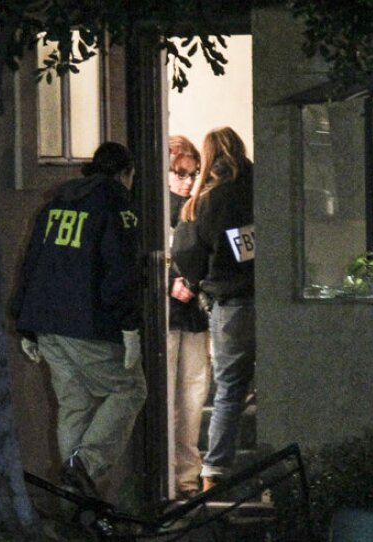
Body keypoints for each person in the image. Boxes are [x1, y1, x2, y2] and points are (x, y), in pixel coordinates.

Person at [11, 142, 146, 499]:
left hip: (45, 322)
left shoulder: (58, 202)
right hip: (86, 322)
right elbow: (121, 270)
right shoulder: (116, 202)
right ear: (125, 172)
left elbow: (33, 260)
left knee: (75, 406)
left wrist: (25, 323)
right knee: (130, 389)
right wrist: (130, 326)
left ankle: (75, 506)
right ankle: (83, 467)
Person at [170, 127, 255, 491]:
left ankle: (214, 472)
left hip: (229, 302)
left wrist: (192, 280)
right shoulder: (261, 187)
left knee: (229, 387)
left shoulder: (206, 201)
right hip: (270, 299)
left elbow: (189, 256)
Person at [166, 135, 211, 499]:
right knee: (170, 395)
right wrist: (171, 283)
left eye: (193, 173)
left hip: (193, 314)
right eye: (180, 172)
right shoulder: (156, 207)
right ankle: (170, 475)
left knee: (193, 397)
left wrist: (194, 282)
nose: (186, 180)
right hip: (167, 314)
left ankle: (186, 476)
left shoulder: (198, 208)